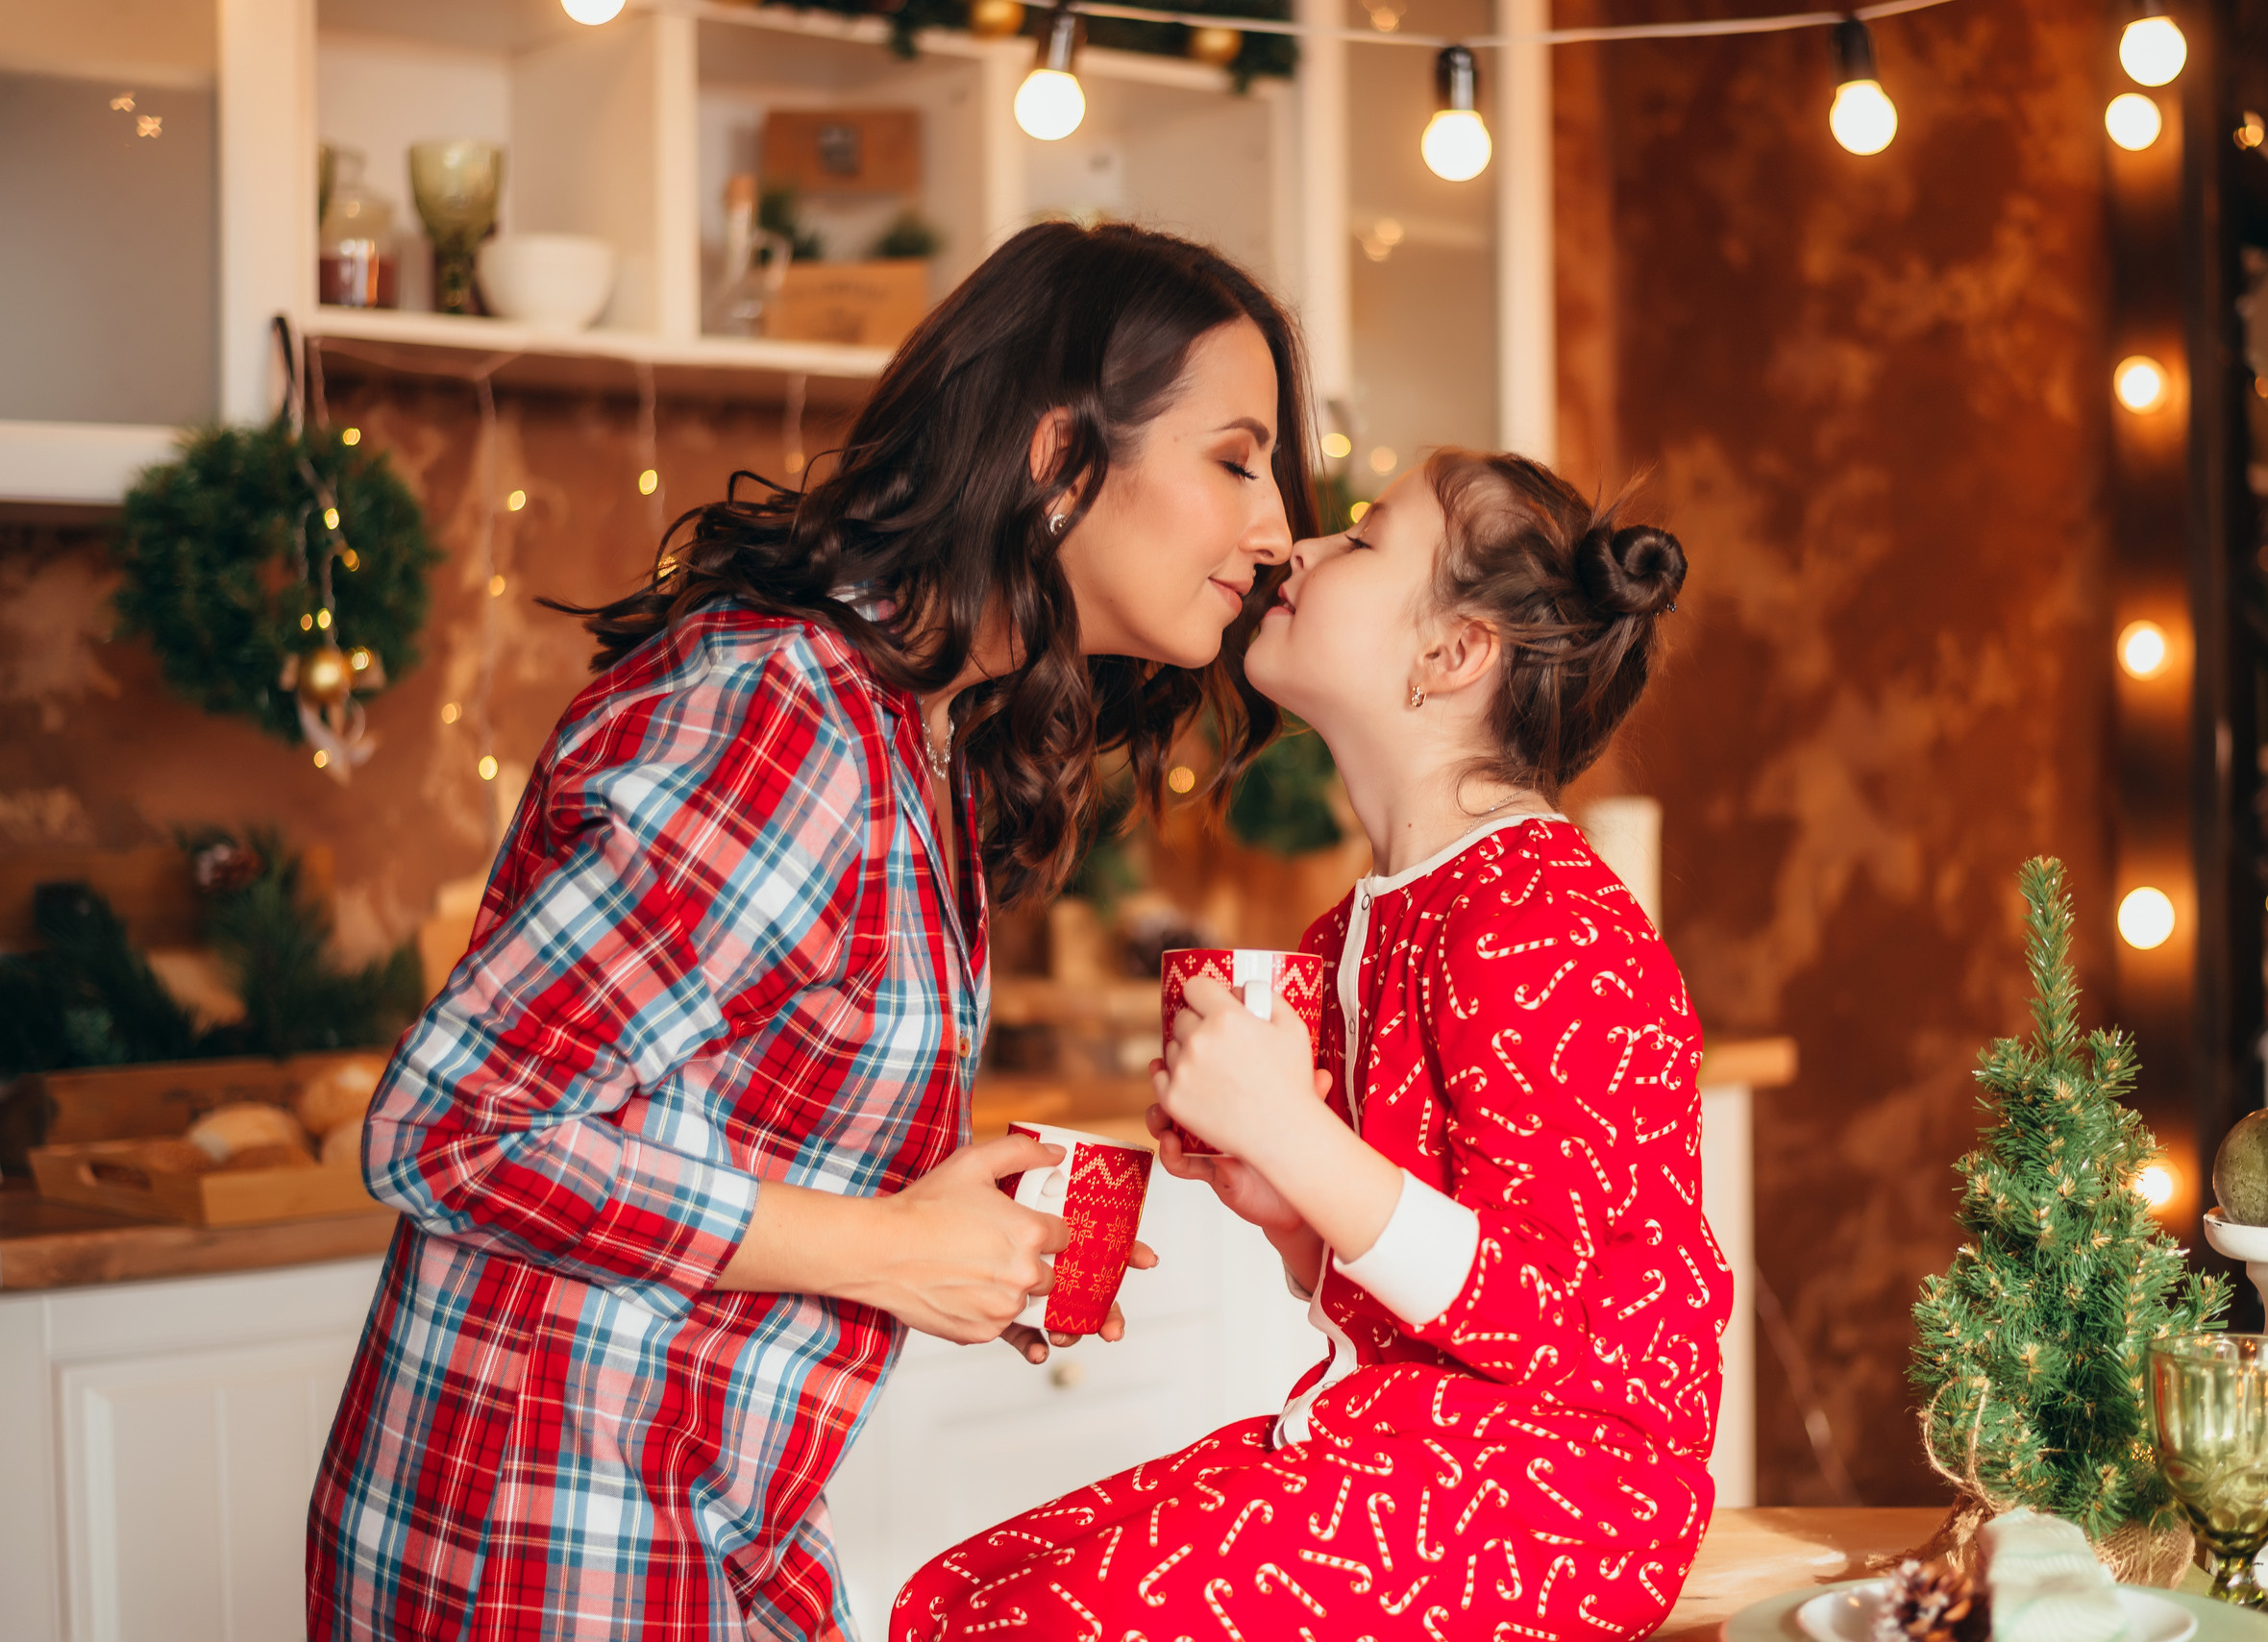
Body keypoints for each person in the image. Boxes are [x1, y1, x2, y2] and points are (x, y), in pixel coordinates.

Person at [306, 222, 1317, 1642]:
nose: (1274, 529)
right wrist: (880, 1249)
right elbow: (455, 1128)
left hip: (683, 1520)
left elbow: (698, 1113)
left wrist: (930, 1219)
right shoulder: (790, 714)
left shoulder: (905, 726)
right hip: (546, 1542)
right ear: (1054, 461)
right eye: (1235, 458)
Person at [893, 450, 1728, 1640]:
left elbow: (1544, 1316)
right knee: (958, 1594)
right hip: (1416, 1437)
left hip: (1563, 1495)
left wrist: (1290, 1128)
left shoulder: (1541, 911)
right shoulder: (1365, 922)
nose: (1302, 548)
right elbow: (1407, 1288)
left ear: (1450, 654)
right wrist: (1281, 1198)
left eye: (1362, 538)